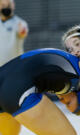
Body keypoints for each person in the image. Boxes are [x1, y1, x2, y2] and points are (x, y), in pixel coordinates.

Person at [0, 48, 80, 135]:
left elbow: (75, 104)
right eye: (67, 103)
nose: (63, 102)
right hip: (17, 92)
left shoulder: (67, 74)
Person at [0, 0, 28, 134]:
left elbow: (22, 32)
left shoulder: (19, 23)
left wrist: (21, 31)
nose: (5, 6)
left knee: (11, 107)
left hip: (13, 72)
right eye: (2, 4)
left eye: (8, 4)